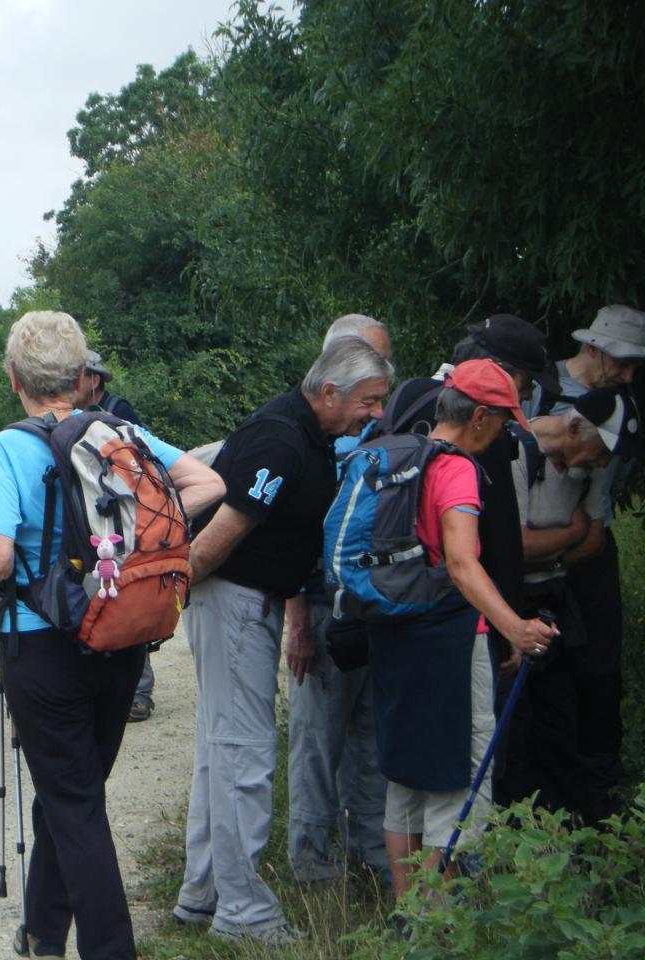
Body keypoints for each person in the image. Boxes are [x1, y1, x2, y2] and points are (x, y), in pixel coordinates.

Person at [0, 311, 224, 960]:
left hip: (43, 646)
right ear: (83, 378)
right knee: (72, 794)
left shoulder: (9, 447)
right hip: (119, 638)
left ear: (14, 379)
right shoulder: (120, 433)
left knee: (74, 804)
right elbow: (209, 482)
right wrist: (128, 534)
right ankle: (43, 936)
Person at [174, 336, 392, 946]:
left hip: (248, 600)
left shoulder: (307, 432)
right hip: (235, 601)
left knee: (222, 746)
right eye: (368, 401)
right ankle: (244, 913)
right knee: (244, 751)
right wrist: (163, 600)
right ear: (329, 393)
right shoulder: (282, 439)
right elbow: (220, 535)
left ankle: (203, 891)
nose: (375, 413)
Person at [369, 360, 558, 897]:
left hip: (395, 634)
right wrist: (516, 628)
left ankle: (406, 925)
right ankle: (437, 930)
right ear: (478, 416)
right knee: (461, 782)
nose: (501, 434)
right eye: (501, 423)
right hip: (451, 643)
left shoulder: (400, 452)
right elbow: (460, 562)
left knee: (405, 783)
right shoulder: (456, 468)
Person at [521, 304, 645, 823]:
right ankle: (537, 806)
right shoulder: (539, 388)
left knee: (598, 677)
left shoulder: (618, 405)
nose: (628, 376)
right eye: (622, 363)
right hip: (532, 567)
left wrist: (562, 546)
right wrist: (548, 551)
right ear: (594, 349)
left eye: (635, 368)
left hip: (583, 560)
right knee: (535, 687)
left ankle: (598, 801)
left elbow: (594, 529)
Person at [286, 314, 393, 884]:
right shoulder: (304, 438)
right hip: (323, 610)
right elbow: (293, 539)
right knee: (316, 742)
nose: (379, 392)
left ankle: (370, 858)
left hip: (375, 612)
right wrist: (298, 622)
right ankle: (310, 864)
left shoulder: (383, 429)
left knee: (372, 741)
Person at [513, 387, 641, 822]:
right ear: (573, 426)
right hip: (512, 604)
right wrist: (564, 538)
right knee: (515, 724)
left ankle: (570, 826)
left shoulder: (587, 468)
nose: (601, 464)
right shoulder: (513, 450)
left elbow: (593, 537)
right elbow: (511, 546)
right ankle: (516, 827)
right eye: (599, 452)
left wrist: (545, 553)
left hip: (557, 600)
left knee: (561, 721)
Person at [73, 350, 160, 724]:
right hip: (98, 524)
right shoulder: (79, 414)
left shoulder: (118, 411)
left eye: (78, 376)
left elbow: (143, 461)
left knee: (128, 598)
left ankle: (139, 692)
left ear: (94, 379)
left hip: (124, 521)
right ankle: (109, 685)